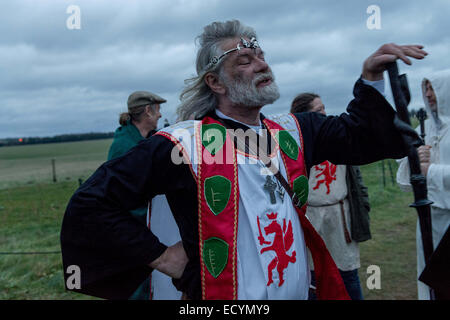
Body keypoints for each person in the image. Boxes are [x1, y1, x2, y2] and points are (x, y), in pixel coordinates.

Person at [60, 20, 426, 300]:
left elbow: (362, 137)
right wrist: (163, 257)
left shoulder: (296, 131)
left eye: (262, 56)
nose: (261, 65)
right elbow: (90, 205)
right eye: (245, 60)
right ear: (216, 83)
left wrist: (371, 79)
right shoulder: (183, 144)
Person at [291, 93, 370, 300]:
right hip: (311, 217)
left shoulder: (337, 138)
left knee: (348, 272)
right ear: (306, 117)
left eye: (324, 108)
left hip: (340, 215)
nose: (324, 113)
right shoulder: (294, 145)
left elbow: (356, 179)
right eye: (318, 111)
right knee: (314, 276)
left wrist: (364, 205)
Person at [106, 91, 182, 300]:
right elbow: (120, 197)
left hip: (144, 227)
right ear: (148, 111)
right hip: (133, 230)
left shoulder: (143, 140)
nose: (159, 115)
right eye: (157, 110)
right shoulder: (125, 147)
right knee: (137, 286)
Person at [396, 70, 450, 300]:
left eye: (433, 89)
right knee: (430, 278)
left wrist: (430, 171)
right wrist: (415, 160)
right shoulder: (425, 129)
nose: (428, 95)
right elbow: (406, 176)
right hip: (429, 217)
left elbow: (427, 173)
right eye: (425, 89)